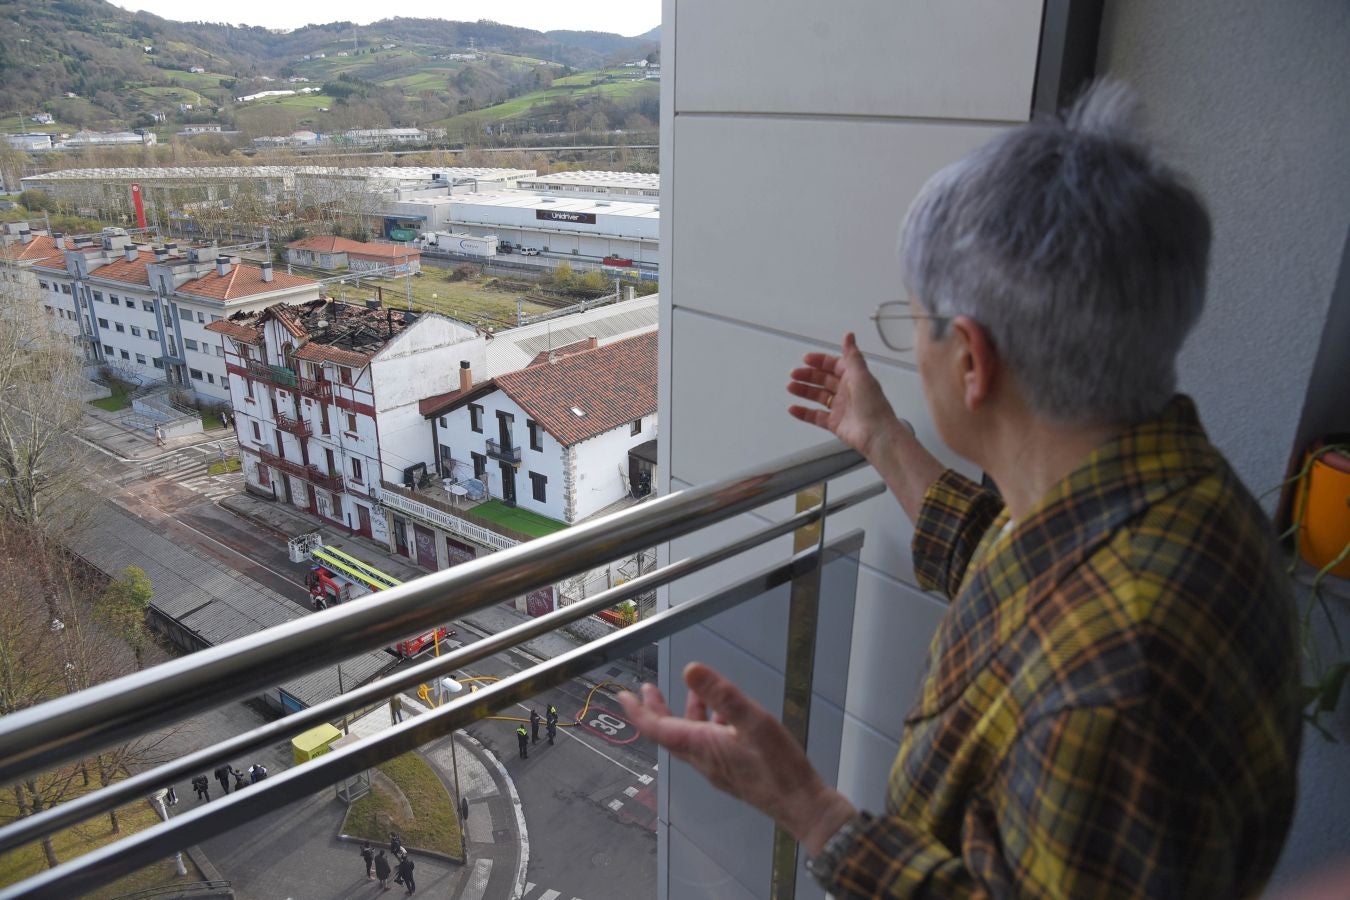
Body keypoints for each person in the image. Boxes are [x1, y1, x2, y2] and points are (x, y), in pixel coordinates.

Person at [618, 82, 1302, 899]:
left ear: (972, 360)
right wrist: (882, 437)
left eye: (912, 323)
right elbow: (1022, 572)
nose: (912, 347)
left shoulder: (1114, 688)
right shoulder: (1182, 503)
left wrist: (809, 810)